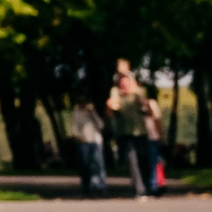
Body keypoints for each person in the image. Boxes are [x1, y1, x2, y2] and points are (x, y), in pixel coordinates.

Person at [109, 70, 160, 199]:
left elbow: (149, 113)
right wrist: (109, 107)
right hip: (125, 134)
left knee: (144, 160)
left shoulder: (137, 96)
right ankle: (139, 189)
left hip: (140, 133)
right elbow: (111, 115)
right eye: (122, 83)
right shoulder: (117, 98)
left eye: (126, 83)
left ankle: (148, 187)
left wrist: (145, 104)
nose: (124, 85)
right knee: (132, 161)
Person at [68, 98, 107, 197]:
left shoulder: (92, 112)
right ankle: (86, 187)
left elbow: (101, 125)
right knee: (85, 165)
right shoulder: (77, 112)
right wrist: (79, 137)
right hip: (84, 142)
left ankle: (99, 186)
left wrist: (92, 113)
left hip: (96, 141)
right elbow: (75, 126)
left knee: (98, 165)